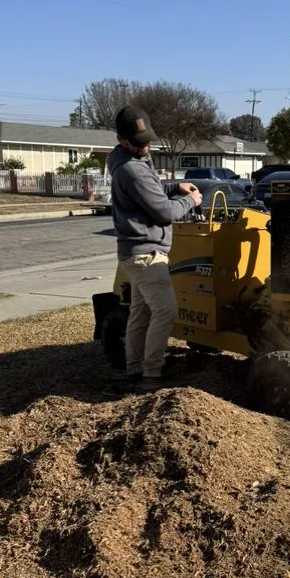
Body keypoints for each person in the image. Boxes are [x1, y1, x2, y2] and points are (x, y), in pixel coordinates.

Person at [108, 105, 202, 390]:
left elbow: (152, 188)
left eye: (147, 139)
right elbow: (164, 213)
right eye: (138, 142)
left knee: (141, 313)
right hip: (146, 255)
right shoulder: (132, 169)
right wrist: (191, 201)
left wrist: (176, 187)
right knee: (166, 312)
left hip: (134, 254)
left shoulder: (126, 160)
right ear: (122, 140)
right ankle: (151, 375)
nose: (145, 145)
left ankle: (134, 369)